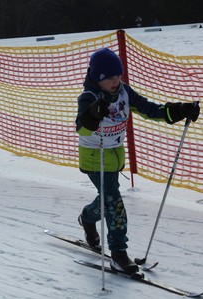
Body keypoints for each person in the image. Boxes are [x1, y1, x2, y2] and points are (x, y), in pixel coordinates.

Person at [75, 48, 200, 275]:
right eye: (109, 78)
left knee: (107, 200)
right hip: (95, 158)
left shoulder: (124, 92)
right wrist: (93, 114)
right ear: (98, 78)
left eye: (118, 75)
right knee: (114, 203)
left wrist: (178, 110)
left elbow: (149, 109)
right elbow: (82, 128)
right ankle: (119, 253)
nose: (116, 81)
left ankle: (87, 217)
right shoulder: (89, 97)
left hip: (114, 156)